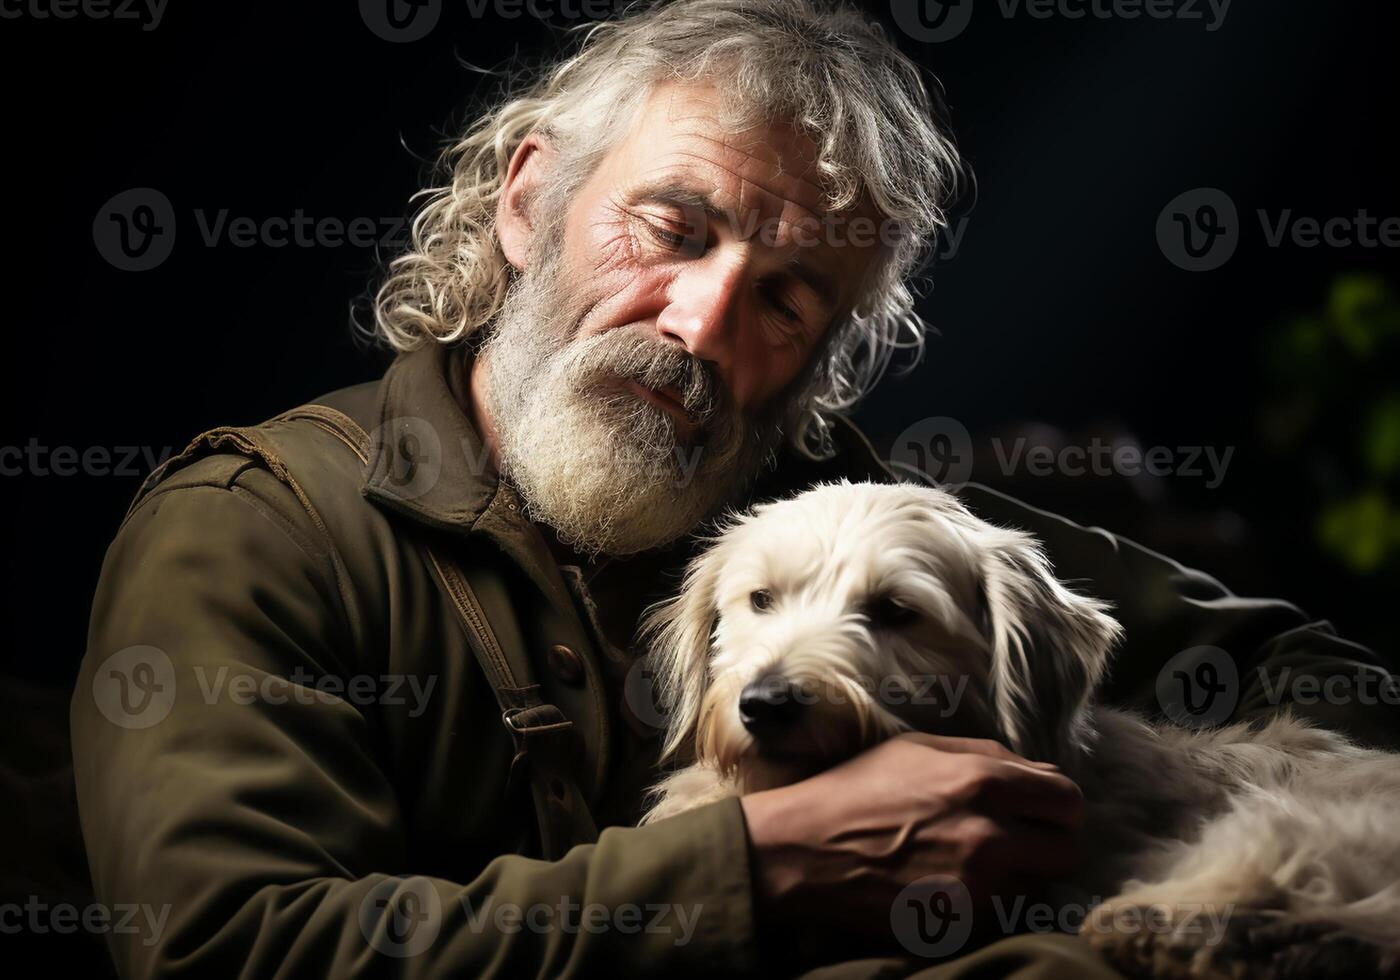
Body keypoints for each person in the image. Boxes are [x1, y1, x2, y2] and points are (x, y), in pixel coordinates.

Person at [70, 1, 1399, 977]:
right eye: (673, 229)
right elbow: (225, 951)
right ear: (528, 205)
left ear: (824, 354)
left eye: (786, 296)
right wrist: (752, 873)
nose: (702, 325)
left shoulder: (823, 500)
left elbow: (1307, 671)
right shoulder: (257, 530)